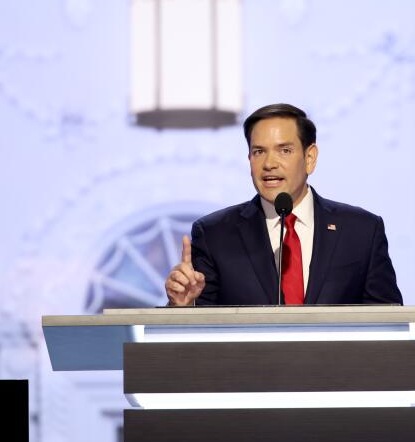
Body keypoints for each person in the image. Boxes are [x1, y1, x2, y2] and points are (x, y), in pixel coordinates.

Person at [164, 103, 402, 306]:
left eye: (284, 150)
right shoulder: (215, 234)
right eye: (258, 152)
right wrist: (184, 306)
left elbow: (391, 325)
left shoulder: (361, 231)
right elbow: (198, 335)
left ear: (310, 158)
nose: (269, 163)